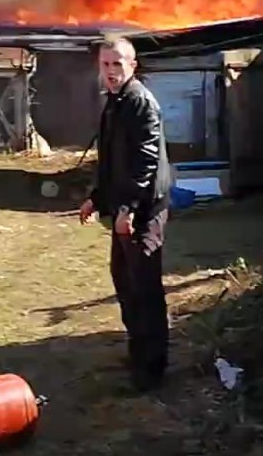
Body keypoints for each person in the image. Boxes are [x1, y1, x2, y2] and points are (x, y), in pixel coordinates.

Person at [79, 35, 174, 393]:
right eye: (105, 64)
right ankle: (139, 353)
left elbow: (145, 162)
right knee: (125, 280)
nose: (110, 71)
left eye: (117, 64)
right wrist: (97, 198)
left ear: (132, 66)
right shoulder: (115, 102)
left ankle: (153, 369)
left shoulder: (139, 102)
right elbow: (112, 160)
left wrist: (130, 209)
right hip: (123, 207)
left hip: (145, 209)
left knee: (145, 286)